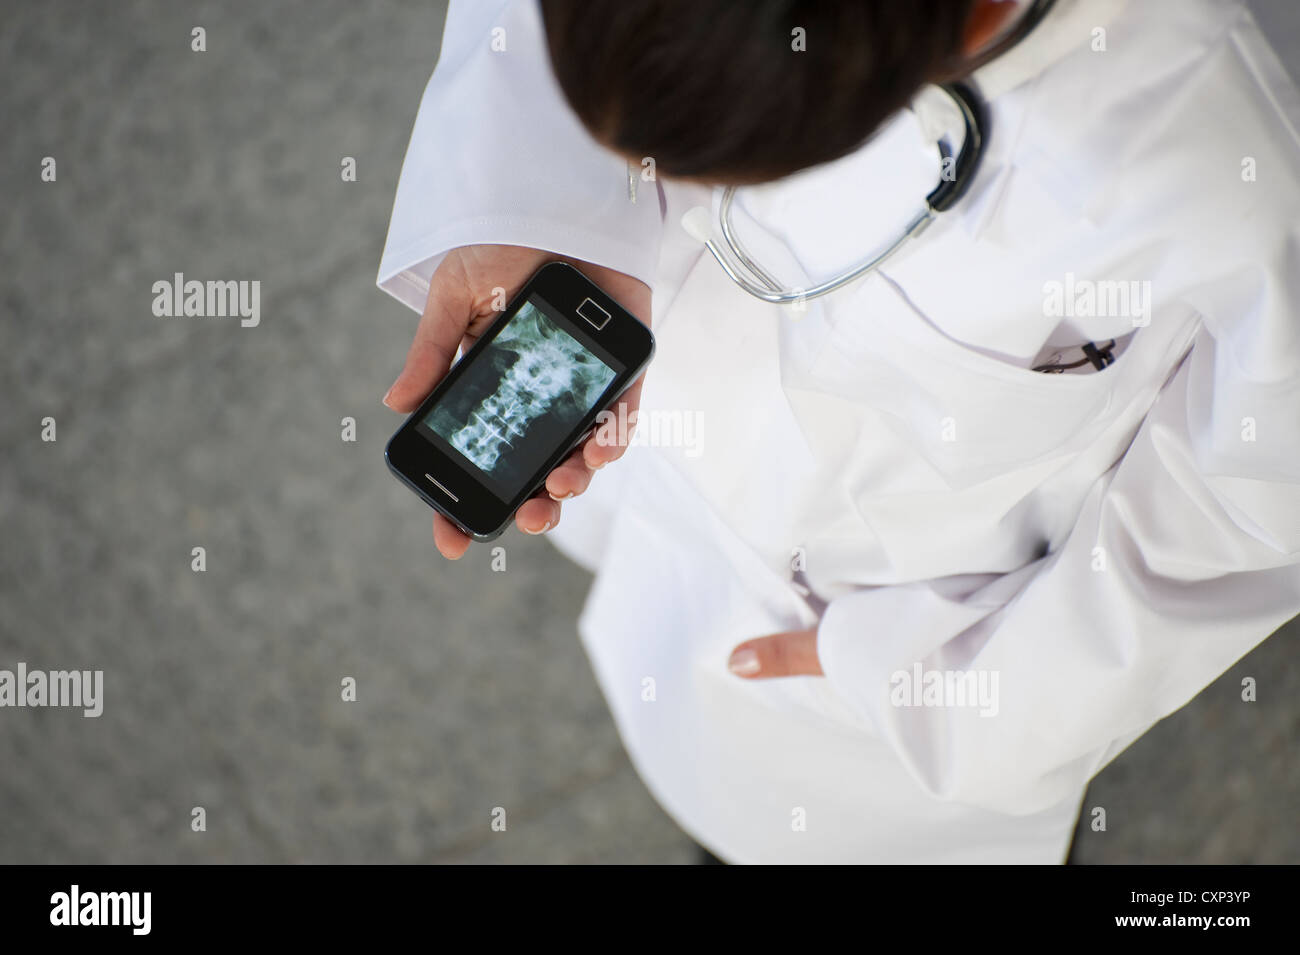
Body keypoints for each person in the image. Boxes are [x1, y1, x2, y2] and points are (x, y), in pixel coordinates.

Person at [376, 0, 1300, 863]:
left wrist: (946, 689)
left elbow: (1250, 505)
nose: (676, 193)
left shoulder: (1208, 151)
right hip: (677, 509)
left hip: (892, 653)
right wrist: (545, 197)